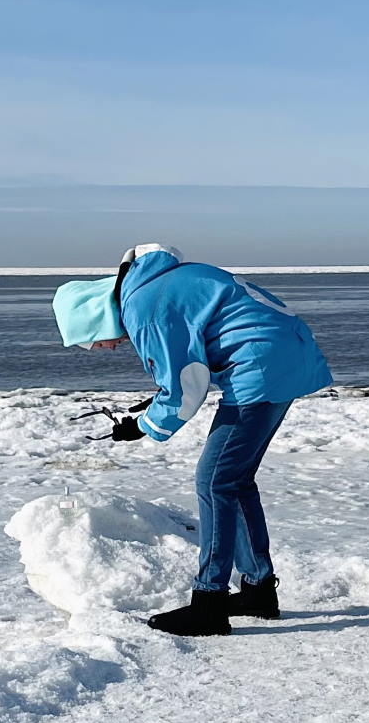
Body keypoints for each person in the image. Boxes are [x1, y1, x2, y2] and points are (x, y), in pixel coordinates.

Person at [52, 244, 333, 637]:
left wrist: (143, 426)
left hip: (263, 367)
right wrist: (157, 402)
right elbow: (196, 354)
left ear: (95, 317)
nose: (105, 348)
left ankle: (209, 604)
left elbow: (188, 383)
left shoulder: (143, 309)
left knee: (214, 481)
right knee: (234, 481)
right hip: (285, 357)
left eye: (92, 341)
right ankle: (257, 591)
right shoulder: (153, 285)